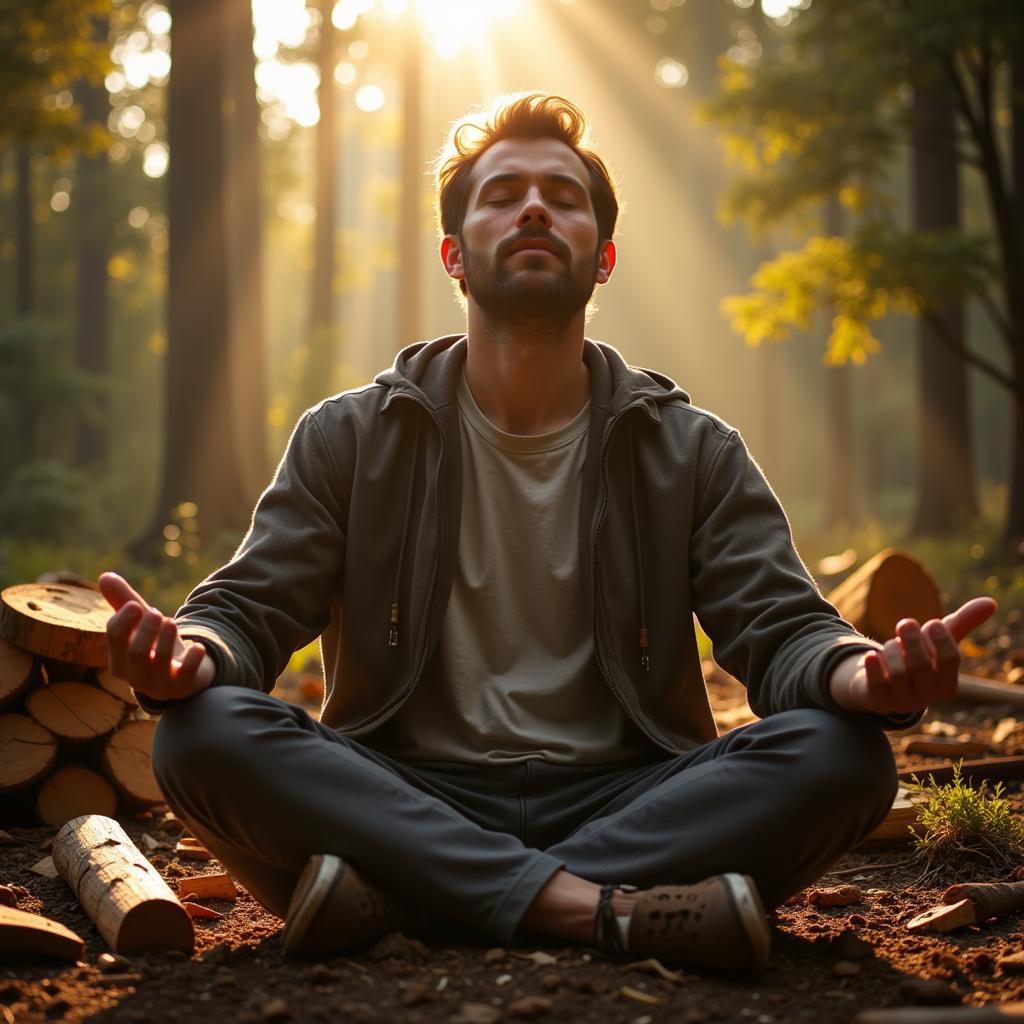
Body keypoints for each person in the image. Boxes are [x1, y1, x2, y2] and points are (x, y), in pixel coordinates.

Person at [100, 93, 996, 975]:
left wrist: (864, 676)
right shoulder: (352, 436)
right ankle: (598, 910)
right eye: (502, 194)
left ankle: (408, 903)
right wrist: (192, 653)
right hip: (407, 791)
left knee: (843, 754)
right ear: (455, 254)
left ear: (602, 259)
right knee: (197, 731)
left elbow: (783, 628)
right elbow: (249, 607)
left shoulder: (689, 449)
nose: (533, 205)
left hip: (631, 796)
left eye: (563, 197)